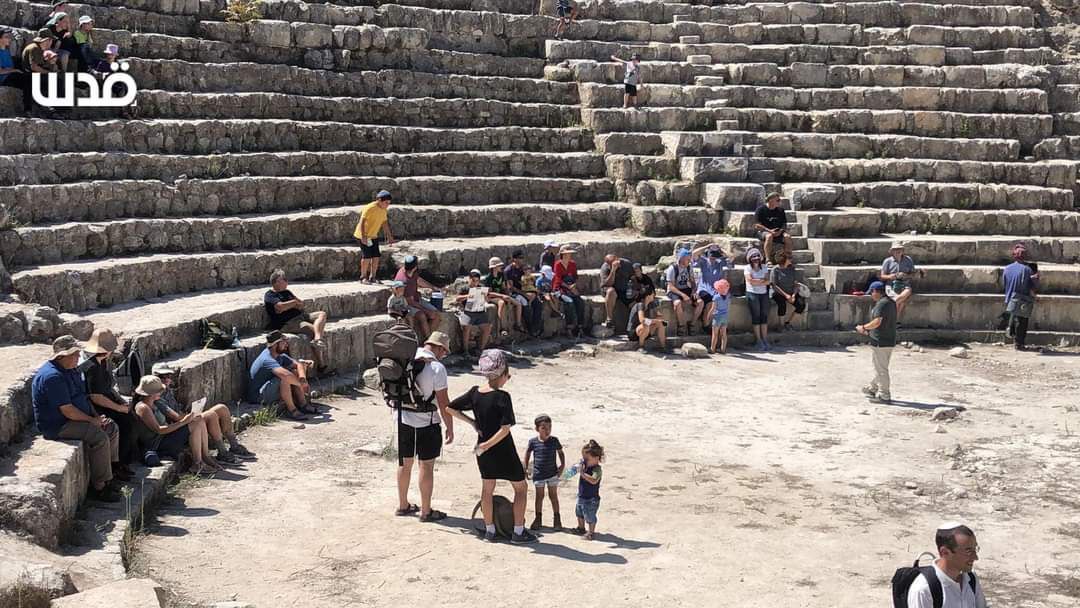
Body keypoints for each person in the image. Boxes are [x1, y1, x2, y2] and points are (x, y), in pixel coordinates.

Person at [446, 349, 538, 544]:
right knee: (520, 488)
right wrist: (488, 444)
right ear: (502, 374)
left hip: (482, 450)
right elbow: (505, 429)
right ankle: (518, 532)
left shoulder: (474, 393)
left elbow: (450, 408)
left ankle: (489, 531)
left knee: (487, 489)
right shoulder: (502, 397)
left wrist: (473, 423)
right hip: (503, 450)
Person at [32, 336, 121, 502]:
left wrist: (96, 416)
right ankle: (100, 487)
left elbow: (83, 398)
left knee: (111, 428)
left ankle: (112, 472)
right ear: (62, 356)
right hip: (59, 424)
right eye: (75, 354)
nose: (78, 357)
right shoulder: (53, 377)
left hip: (77, 417)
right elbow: (68, 411)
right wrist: (92, 421)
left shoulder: (70, 370)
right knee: (99, 436)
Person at [394, 331, 455, 523]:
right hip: (427, 421)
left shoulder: (406, 358)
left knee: (405, 462)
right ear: (437, 347)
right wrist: (450, 427)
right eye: (444, 351)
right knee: (426, 466)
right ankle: (426, 511)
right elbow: (443, 402)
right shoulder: (436, 368)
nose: (444, 355)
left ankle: (403, 505)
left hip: (403, 417)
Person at [151, 363, 254, 463]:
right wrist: (192, 415)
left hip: (183, 419)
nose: (166, 380)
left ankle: (234, 445)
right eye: (162, 377)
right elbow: (176, 417)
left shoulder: (167, 391)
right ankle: (222, 452)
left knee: (221, 408)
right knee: (210, 415)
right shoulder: (157, 397)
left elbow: (178, 411)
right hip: (177, 427)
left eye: (168, 376)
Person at [132, 376, 222, 475]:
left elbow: (174, 417)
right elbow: (159, 430)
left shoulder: (155, 403)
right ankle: (197, 463)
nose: (161, 392)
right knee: (194, 425)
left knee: (198, 420)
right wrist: (183, 422)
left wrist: (188, 418)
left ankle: (205, 457)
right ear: (152, 393)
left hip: (164, 437)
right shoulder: (143, 408)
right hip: (157, 444)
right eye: (159, 391)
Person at [81, 329, 136, 480]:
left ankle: (123, 463)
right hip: (98, 408)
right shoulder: (91, 368)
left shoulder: (103, 363)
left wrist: (122, 402)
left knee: (130, 420)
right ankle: (116, 466)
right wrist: (118, 407)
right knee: (124, 423)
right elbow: (96, 396)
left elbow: (109, 388)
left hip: (108, 402)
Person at [906, 523, 988, 608]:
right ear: (945, 552)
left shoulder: (971, 578)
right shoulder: (923, 590)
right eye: (968, 551)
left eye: (975, 549)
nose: (975, 557)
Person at [264, 269, 328, 373]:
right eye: (284, 279)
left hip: (301, 316)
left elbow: (301, 304)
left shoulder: (287, 292)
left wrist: (293, 304)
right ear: (276, 282)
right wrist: (293, 303)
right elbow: (280, 307)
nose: (287, 281)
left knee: (322, 314)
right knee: (315, 329)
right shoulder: (270, 295)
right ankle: (322, 365)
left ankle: (317, 339)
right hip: (289, 322)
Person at [247, 331, 316, 420]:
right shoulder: (267, 359)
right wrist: (300, 384)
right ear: (276, 344)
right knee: (285, 377)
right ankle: (292, 410)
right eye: (284, 342)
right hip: (258, 396)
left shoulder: (280, 356)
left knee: (294, 372)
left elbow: (298, 364)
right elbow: (286, 375)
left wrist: (303, 379)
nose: (287, 345)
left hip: (270, 390)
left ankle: (303, 405)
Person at [856, 281, 897, 404]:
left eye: (872, 293)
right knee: (880, 367)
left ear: (876, 292)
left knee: (881, 369)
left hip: (881, 341)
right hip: (888, 340)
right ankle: (873, 388)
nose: (871, 295)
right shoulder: (891, 303)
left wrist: (863, 328)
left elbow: (877, 322)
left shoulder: (881, 304)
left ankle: (884, 394)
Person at [524, 414, 565, 531]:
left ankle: (557, 519)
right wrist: (525, 468)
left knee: (553, 496)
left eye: (549, 427)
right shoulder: (533, 442)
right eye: (544, 428)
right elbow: (527, 453)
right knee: (539, 497)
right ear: (537, 429)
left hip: (552, 473)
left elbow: (561, 452)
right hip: (539, 474)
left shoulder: (554, 440)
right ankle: (538, 519)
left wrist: (562, 465)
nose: (547, 430)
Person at [1000, 243, 1039, 351]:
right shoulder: (1028, 270)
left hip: (1009, 298)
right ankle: (1019, 344)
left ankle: (1012, 337)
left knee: (1013, 319)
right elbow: (1032, 286)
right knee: (1022, 322)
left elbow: (1004, 283)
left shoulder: (1007, 268)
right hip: (1022, 300)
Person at [394, 254, 441, 342]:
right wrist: (427, 311)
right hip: (405, 304)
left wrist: (433, 288)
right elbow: (410, 302)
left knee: (437, 315)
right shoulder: (404, 281)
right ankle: (428, 340)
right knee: (422, 315)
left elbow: (418, 280)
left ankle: (428, 339)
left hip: (415, 298)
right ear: (414, 267)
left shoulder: (411, 272)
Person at [354, 190, 395, 284]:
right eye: (386, 203)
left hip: (373, 236)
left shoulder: (383, 209)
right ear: (379, 200)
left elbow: (384, 223)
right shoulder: (369, 208)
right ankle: (363, 277)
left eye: (389, 203)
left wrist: (389, 236)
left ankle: (373, 276)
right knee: (367, 257)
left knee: (376, 257)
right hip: (362, 235)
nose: (387, 205)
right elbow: (362, 222)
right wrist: (363, 236)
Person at [455, 269, 497, 357]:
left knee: (487, 327)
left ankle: (480, 349)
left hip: (479, 311)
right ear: (469, 279)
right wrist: (467, 296)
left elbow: (487, 299)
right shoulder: (464, 288)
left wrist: (485, 297)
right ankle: (465, 350)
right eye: (473, 281)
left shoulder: (481, 287)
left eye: (477, 281)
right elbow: (457, 298)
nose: (475, 283)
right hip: (467, 311)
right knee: (466, 327)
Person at [503, 250, 543, 338]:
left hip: (525, 290)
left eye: (522, 258)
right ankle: (530, 328)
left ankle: (536, 328)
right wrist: (525, 294)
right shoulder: (508, 271)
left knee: (538, 304)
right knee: (525, 303)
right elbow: (511, 287)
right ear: (514, 259)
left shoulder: (522, 268)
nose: (522, 260)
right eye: (520, 258)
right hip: (516, 293)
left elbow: (528, 281)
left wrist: (533, 292)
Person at [880, 242, 923, 322]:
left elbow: (913, 274)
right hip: (891, 285)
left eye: (899, 249)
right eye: (895, 250)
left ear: (903, 251)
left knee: (897, 300)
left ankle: (889, 320)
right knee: (901, 301)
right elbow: (882, 276)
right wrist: (891, 276)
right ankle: (895, 322)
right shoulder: (887, 261)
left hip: (905, 285)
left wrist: (905, 275)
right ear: (892, 251)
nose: (897, 251)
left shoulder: (908, 260)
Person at [21, 30, 60, 117]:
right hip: (29, 75)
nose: (51, 43)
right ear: (47, 40)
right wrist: (48, 72)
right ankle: (50, 109)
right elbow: (34, 67)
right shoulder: (34, 48)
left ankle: (52, 108)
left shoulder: (41, 49)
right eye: (51, 40)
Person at [571, 439, 604, 540]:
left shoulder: (597, 469)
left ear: (596, 458)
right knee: (579, 512)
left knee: (590, 516)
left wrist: (582, 474)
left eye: (587, 459)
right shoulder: (584, 466)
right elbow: (569, 474)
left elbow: (594, 480)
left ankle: (591, 532)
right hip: (582, 495)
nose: (584, 461)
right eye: (584, 458)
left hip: (591, 499)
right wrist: (574, 469)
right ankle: (581, 528)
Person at [665, 249, 704, 336]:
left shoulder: (689, 267)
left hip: (685, 288)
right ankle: (681, 325)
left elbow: (693, 282)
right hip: (674, 290)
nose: (689, 261)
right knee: (678, 303)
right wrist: (683, 296)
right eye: (688, 259)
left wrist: (694, 291)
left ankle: (692, 324)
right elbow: (671, 286)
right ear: (682, 258)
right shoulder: (672, 269)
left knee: (700, 303)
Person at [483, 257, 526, 334]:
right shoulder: (488, 278)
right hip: (491, 297)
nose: (501, 267)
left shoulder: (501, 275)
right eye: (499, 266)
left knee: (518, 304)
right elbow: (488, 293)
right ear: (494, 267)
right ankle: (503, 327)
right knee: (501, 303)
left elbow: (503, 287)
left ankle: (518, 324)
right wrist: (502, 296)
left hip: (501, 294)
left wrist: (507, 294)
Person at [553, 245, 587, 339]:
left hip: (571, 287)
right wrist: (569, 287)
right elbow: (558, 279)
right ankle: (569, 328)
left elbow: (575, 277)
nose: (569, 255)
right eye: (567, 254)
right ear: (563, 254)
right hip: (560, 289)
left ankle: (580, 327)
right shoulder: (558, 264)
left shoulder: (572, 264)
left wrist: (574, 287)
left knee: (580, 303)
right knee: (569, 302)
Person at [692, 243, 730, 323]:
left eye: (715, 256)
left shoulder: (720, 263)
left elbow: (731, 257)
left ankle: (706, 324)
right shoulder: (703, 261)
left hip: (714, 291)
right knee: (706, 303)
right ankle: (696, 323)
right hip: (703, 289)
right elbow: (694, 253)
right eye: (711, 255)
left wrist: (720, 249)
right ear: (708, 254)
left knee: (712, 305)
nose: (713, 257)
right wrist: (707, 246)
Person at [769, 251, 806, 331]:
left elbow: (796, 283)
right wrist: (786, 295)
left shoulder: (791, 269)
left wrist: (793, 295)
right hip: (779, 293)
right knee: (782, 304)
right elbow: (774, 286)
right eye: (789, 258)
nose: (791, 259)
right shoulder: (775, 270)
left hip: (791, 292)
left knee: (801, 304)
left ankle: (787, 323)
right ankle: (781, 325)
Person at [744, 247, 771, 350]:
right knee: (756, 316)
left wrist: (757, 281)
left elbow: (768, 281)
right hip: (752, 293)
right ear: (750, 258)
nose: (756, 258)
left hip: (763, 294)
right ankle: (758, 340)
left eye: (757, 256)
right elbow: (750, 281)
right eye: (753, 256)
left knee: (764, 316)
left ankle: (764, 339)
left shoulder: (764, 267)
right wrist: (762, 281)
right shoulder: (747, 268)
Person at [0, 28, 32, 115]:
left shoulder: (7, 51)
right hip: (3, 79)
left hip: (11, 76)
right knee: (27, 79)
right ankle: (27, 109)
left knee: (30, 78)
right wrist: (15, 70)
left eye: (9, 37)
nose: (9, 39)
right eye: (6, 37)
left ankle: (28, 108)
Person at [754, 192, 791, 264]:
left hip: (778, 231)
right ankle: (768, 259)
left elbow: (784, 224)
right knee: (769, 236)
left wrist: (780, 231)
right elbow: (757, 225)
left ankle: (787, 258)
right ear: (771, 200)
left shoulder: (781, 210)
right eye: (777, 200)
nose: (779, 202)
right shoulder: (760, 209)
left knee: (787, 237)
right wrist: (770, 231)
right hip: (764, 231)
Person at [600, 254, 634, 330]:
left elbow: (633, 277)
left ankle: (633, 325)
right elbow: (608, 283)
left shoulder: (627, 264)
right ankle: (609, 319)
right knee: (611, 291)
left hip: (623, 288)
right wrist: (613, 271)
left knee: (635, 301)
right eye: (611, 263)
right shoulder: (605, 267)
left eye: (615, 261)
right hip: (610, 288)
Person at [628, 285, 667, 350]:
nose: (654, 295)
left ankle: (663, 347)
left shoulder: (651, 304)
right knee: (645, 324)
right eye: (652, 294)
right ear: (648, 296)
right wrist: (656, 321)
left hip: (645, 331)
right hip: (634, 333)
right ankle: (641, 347)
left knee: (661, 323)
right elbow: (642, 320)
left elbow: (659, 316)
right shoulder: (640, 305)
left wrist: (659, 319)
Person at [709, 279, 731, 355]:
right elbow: (728, 307)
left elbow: (713, 308)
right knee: (724, 334)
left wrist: (709, 315)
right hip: (725, 317)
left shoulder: (716, 297)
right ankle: (723, 349)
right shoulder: (728, 297)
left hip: (717, 317)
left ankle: (712, 349)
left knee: (715, 334)